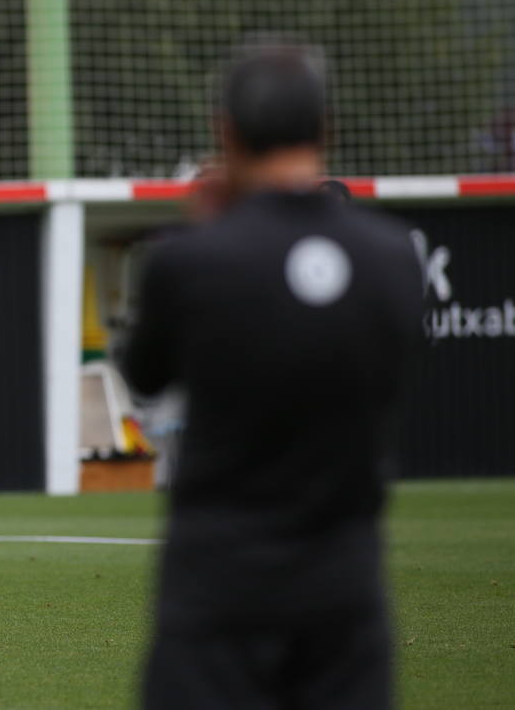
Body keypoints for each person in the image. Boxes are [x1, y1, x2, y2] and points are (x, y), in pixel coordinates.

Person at [120, 40, 424, 709]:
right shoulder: (394, 258)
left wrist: (208, 229)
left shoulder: (189, 261)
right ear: (326, 132)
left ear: (225, 134)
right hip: (344, 588)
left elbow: (144, 371)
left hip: (217, 586)